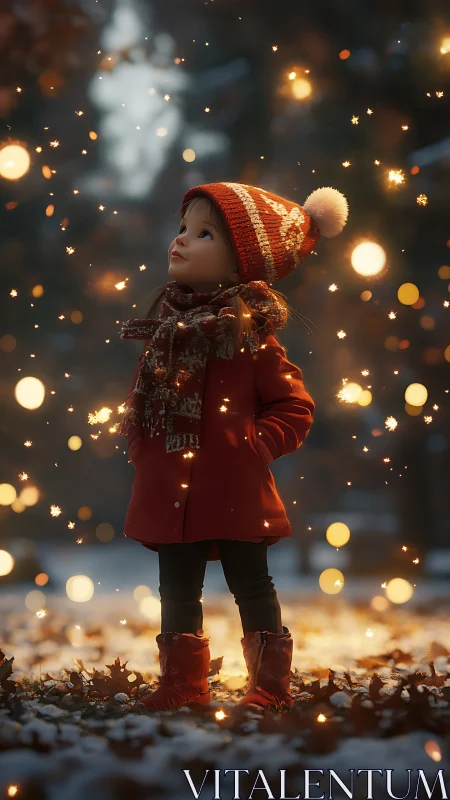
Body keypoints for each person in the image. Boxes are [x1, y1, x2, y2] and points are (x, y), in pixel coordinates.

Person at [118, 182, 349, 712]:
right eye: (181, 229)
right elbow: (139, 402)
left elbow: (294, 407)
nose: (180, 241)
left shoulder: (250, 337)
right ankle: (182, 684)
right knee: (176, 591)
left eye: (203, 234)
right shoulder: (165, 334)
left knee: (252, 584)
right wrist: (142, 449)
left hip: (235, 489)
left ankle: (269, 686)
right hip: (170, 489)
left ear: (240, 262)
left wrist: (254, 445)